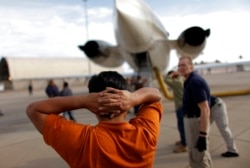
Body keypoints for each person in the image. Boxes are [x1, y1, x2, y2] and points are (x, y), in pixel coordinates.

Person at [26, 71, 163, 168]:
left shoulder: (81, 139)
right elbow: (155, 95)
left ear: (94, 103)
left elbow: (34, 110)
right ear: (125, 100)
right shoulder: (145, 132)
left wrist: (83, 101)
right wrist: (133, 98)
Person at [178, 56, 213, 168]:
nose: (180, 68)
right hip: (191, 120)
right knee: (198, 156)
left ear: (191, 67)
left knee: (199, 157)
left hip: (195, 122)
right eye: (179, 65)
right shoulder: (189, 81)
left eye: (183, 65)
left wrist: (202, 135)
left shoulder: (194, 82)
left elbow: (205, 108)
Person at [164, 70, 187, 153]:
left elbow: (166, 80)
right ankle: (183, 140)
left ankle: (184, 144)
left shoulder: (177, 83)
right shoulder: (182, 79)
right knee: (184, 125)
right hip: (185, 106)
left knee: (181, 126)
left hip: (180, 107)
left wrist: (171, 75)